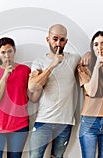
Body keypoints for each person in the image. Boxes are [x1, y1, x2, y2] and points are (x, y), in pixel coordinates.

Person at [28, 24, 80, 158]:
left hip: (65, 122)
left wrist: (88, 54)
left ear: (66, 41)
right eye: (55, 39)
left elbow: (89, 56)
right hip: (43, 121)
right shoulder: (39, 62)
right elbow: (32, 87)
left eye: (62, 40)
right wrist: (52, 65)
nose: (58, 43)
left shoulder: (73, 59)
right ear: (48, 39)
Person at [0, 37, 31, 158]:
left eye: (9, 51)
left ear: (14, 51)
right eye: (3, 52)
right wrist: (5, 76)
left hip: (19, 125)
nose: (7, 55)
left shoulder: (25, 70)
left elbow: (33, 95)